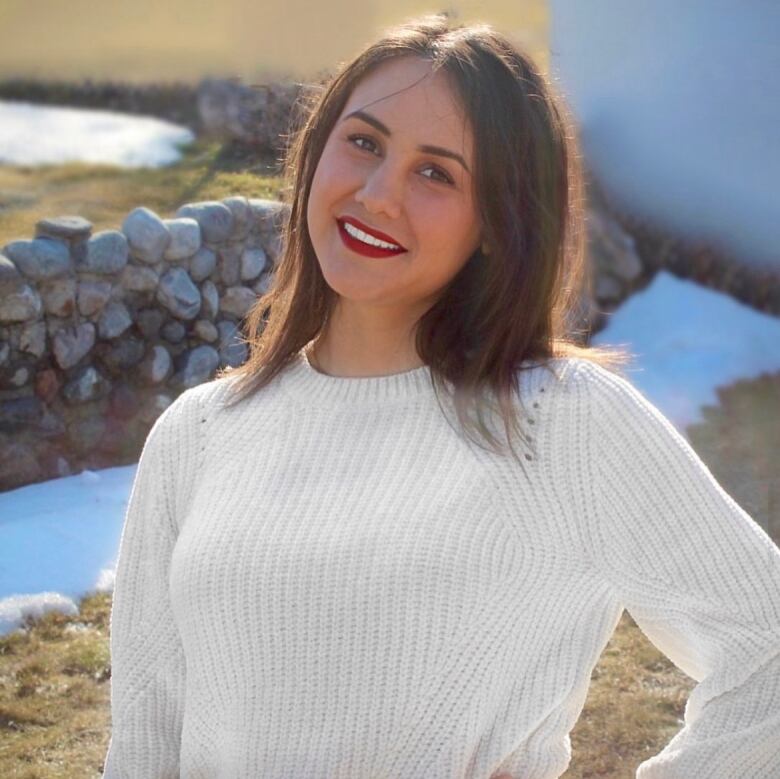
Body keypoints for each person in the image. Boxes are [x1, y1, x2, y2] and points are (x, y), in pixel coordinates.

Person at [102, 13, 780, 779]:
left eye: (437, 173)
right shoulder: (196, 434)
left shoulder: (558, 421)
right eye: (364, 142)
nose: (379, 194)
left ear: (496, 221)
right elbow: (144, 747)